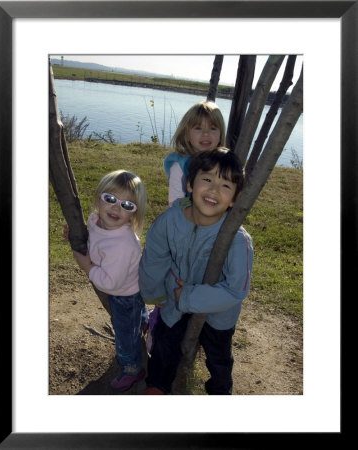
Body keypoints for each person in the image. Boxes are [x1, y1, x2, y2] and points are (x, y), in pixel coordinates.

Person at [139, 148, 254, 395]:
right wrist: (155, 293)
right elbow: (154, 258)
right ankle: (157, 386)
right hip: (174, 299)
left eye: (225, 185)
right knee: (164, 342)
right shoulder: (169, 221)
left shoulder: (236, 239)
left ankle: (220, 390)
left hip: (217, 312)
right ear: (190, 183)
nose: (213, 190)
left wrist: (189, 297)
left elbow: (236, 289)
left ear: (235, 198)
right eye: (207, 179)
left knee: (218, 356)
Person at [67, 170, 149, 393]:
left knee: (125, 336)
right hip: (130, 285)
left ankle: (132, 369)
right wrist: (75, 235)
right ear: (99, 198)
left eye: (127, 205)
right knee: (137, 314)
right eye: (110, 199)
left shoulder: (123, 244)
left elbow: (109, 284)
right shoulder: (97, 221)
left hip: (124, 295)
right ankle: (144, 321)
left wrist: (86, 265)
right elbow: (94, 236)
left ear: (134, 214)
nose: (116, 208)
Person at [164, 100, 226, 206]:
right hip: (187, 218)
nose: (206, 133)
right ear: (187, 135)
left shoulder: (225, 164)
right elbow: (175, 203)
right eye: (198, 128)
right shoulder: (180, 166)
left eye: (213, 128)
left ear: (220, 135)